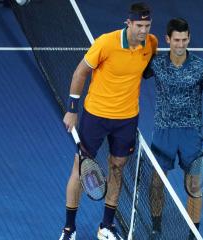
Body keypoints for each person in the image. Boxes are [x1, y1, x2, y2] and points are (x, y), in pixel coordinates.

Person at [59, 2, 158, 240]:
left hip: (126, 120)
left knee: (117, 168)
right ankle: (69, 229)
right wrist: (72, 109)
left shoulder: (151, 44)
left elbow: (145, 70)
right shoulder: (106, 42)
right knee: (80, 167)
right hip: (95, 116)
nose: (143, 30)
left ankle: (106, 227)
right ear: (129, 23)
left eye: (147, 25)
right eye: (139, 25)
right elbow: (80, 72)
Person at [146, 18, 203, 240]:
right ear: (168, 39)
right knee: (157, 182)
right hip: (163, 132)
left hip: (191, 133)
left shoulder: (201, 66)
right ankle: (155, 227)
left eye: (184, 39)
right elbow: (132, 73)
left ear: (189, 38)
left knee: (194, 184)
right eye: (176, 40)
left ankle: (193, 233)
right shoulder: (156, 64)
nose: (180, 44)